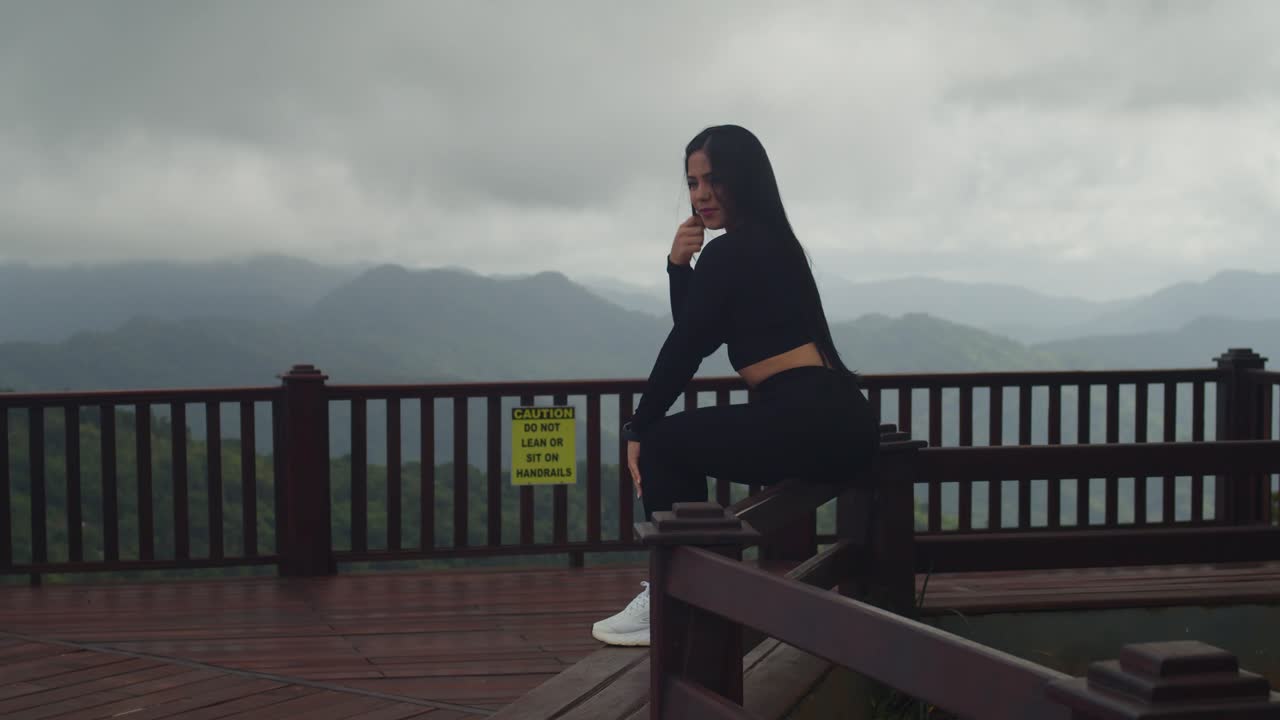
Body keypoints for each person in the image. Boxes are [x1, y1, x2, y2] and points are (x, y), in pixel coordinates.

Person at [590, 125, 881, 646]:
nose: (701, 195)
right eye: (692, 183)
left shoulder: (732, 252)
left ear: (744, 179)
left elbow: (687, 345)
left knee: (661, 445)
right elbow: (700, 328)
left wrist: (639, 426)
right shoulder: (776, 244)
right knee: (670, 442)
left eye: (714, 180)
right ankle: (683, 593)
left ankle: (672, 597)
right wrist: (679, 267)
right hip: (841, 419)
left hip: (806, 416)